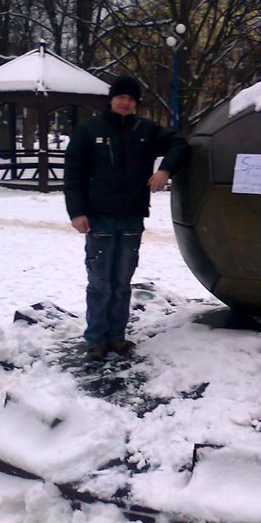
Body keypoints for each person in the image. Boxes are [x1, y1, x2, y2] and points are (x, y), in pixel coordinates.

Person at [64, 75, 188, 363]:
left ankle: (117, 337)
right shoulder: (89, 130)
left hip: (132, 218)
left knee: (122, 282)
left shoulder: (144, 130)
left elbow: (180, 144)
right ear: (111, 99)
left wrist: (165, 170)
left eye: (131, 99)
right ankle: (96, 341)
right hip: (99, 219)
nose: (125, 102)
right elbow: (73, 174)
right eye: (121, 97)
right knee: (100, 283)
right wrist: (77, 212)